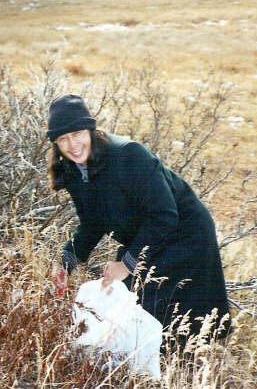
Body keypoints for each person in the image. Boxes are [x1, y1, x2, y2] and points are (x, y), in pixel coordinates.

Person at [47, 94, 232, 349]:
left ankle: (181, 366)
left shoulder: (128, 155)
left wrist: (127, 264)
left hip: (185, 231)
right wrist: (66, 262)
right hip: (146, 234)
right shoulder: (73, 171)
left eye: (77, 133)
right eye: (62, 139)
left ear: (90, 130)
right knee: (135, 304)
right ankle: (151, 363)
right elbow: (92, 223)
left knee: (160, 308)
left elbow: (164, 215)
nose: (72, 144)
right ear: (56, 144)